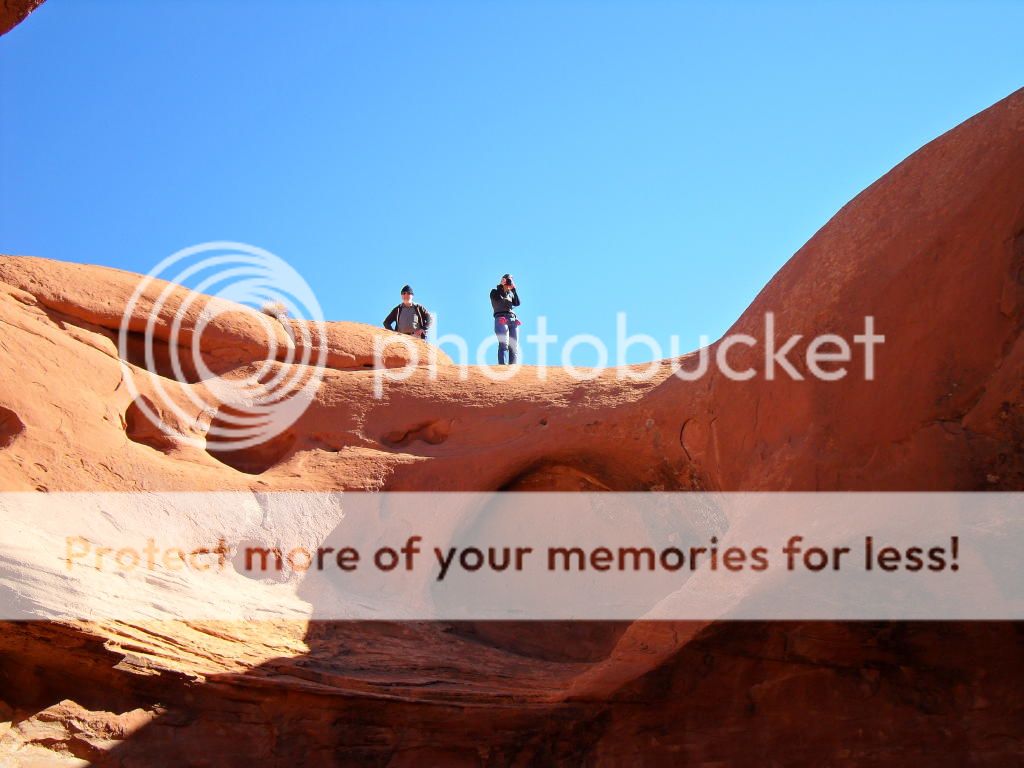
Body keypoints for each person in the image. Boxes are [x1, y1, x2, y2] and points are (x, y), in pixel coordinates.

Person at [489, 273, 521, 365]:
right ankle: (502, 366)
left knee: (514, 346)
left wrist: (514, 289)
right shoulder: (494, 292)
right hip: (501, 318)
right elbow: (500, 296)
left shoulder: (510, 294)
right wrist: (501, 285)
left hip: (512, 319)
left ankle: (513, 367)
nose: (508, 283)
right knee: (504, 343)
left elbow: (517, 303)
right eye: (508, 280)